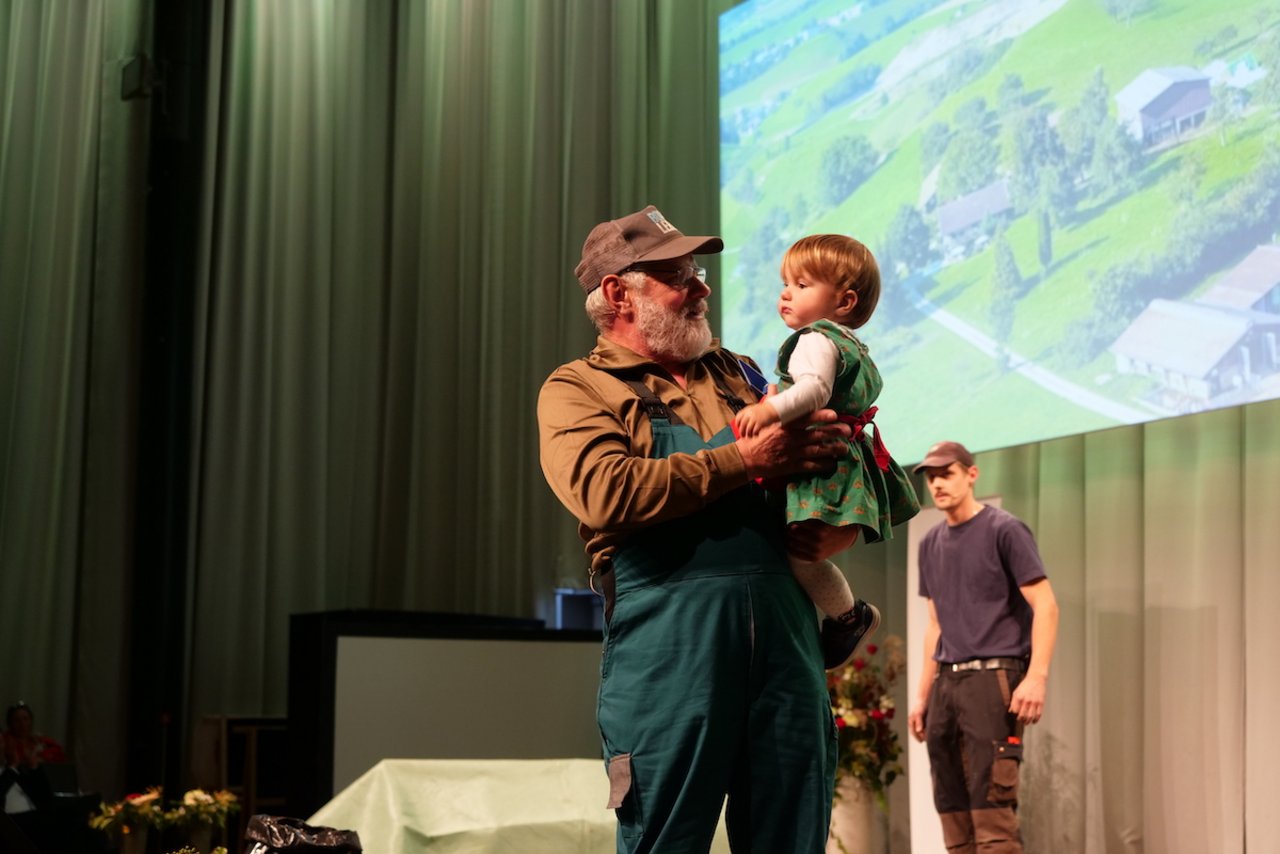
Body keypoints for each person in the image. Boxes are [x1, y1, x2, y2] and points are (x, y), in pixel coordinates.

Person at [538, 205, 855, 853]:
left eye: (699, 269)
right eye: (679, 273)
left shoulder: (746, 374)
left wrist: (835, 524)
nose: (702, 286)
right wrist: (744, 459)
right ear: (617, 293)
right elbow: (608, 491)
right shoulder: (579, 388)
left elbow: (819, 473)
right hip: (668, 659)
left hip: (788, 652)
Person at [733, 234, 919, 669]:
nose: (785, 293)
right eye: (786, 283)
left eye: (801, 285)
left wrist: (771, 412)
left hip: (823, 463)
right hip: (842, 456)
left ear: (844, 300)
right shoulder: (851, 345)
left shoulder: (814, 340)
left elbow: (814, 391)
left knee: (800, 553)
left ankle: (847, 616)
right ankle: (846, 615)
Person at [906, 442, 1060, 854]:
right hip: (946, 684)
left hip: (993, 679)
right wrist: (921, 696)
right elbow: (935, 624)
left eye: (947, 473)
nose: (937, 483)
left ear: (971, 475)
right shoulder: (930, 544)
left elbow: (1045, 605)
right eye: (931, 476)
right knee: (952, 807)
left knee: (992, 809)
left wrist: (1036, 677)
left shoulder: (1004, 530)